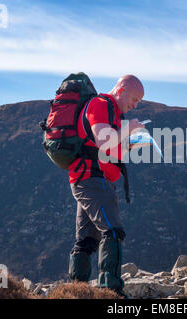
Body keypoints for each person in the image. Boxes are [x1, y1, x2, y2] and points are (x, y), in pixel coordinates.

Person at [68, 75, 145, 297]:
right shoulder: (100, 105)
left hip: (90, 179)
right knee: (112, 230)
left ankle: (76, 290)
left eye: (139, 101)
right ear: (121, 89)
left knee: (87, 239)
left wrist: (129, 143)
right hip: (91, 179)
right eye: (134, 98)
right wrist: (128, 128)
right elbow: (103, 142)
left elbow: (107, 146)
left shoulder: (112, 112)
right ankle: (110, 290)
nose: (135, 104)